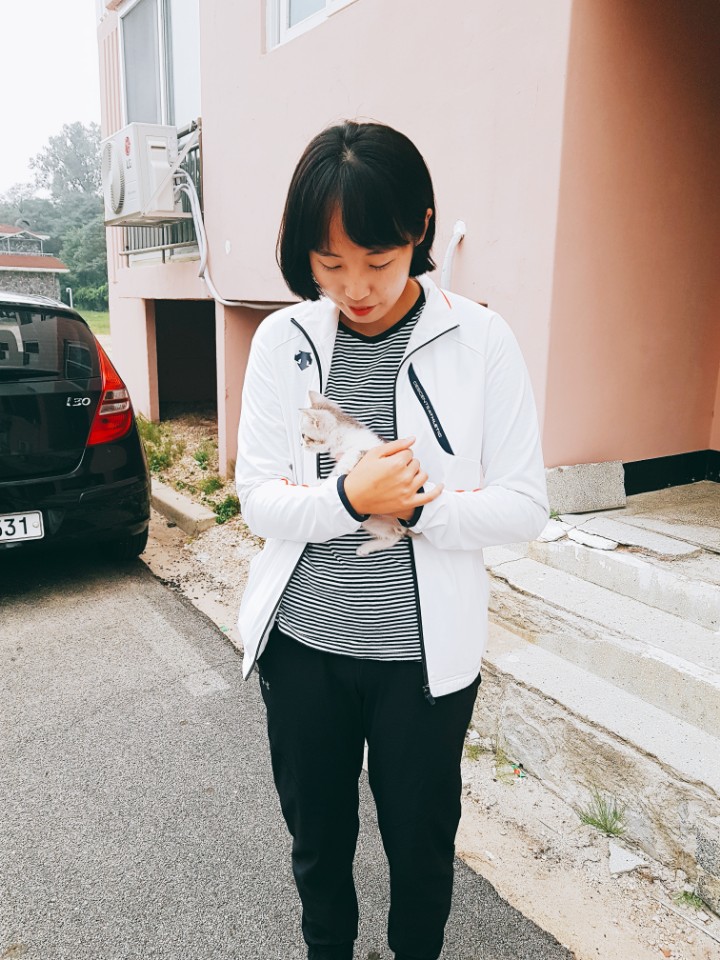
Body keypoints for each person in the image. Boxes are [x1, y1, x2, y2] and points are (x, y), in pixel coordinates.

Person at [235, 120, 549, 960]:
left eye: (377, 260)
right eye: (329, 263)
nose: (355, 288)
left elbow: (524, 505)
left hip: (422, 667)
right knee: (318, 847)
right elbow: (258, 498)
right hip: (304, 651)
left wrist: (416, 510)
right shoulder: (284, 341)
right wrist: (349, 498)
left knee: (421, 851)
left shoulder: (480, 341)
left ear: (422, 229)